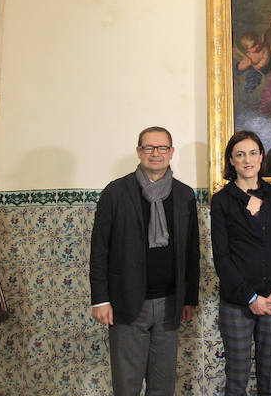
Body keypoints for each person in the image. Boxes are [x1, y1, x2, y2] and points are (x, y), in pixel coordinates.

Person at [89, 126, 200, 396]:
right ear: (139, 151)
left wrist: (190, 299)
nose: (155, 153)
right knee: (127, 385)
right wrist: (100, 299)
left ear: (171, 152)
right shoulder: (115, 192)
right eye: (149, 147)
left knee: (163, 386)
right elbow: (99, 249)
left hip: (170, 303)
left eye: (162, 148)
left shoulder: (184, 195)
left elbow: (191, 251)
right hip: (126, 303)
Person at [210, 130, 271, 396]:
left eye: (253, 153)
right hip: (238, 301)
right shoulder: (222, 200)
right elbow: (221, 257)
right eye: (240, 154)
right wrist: (250, 297)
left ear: (261, 158)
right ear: (231, 161)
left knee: (270, 378)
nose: (248, 160)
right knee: (237, 378)